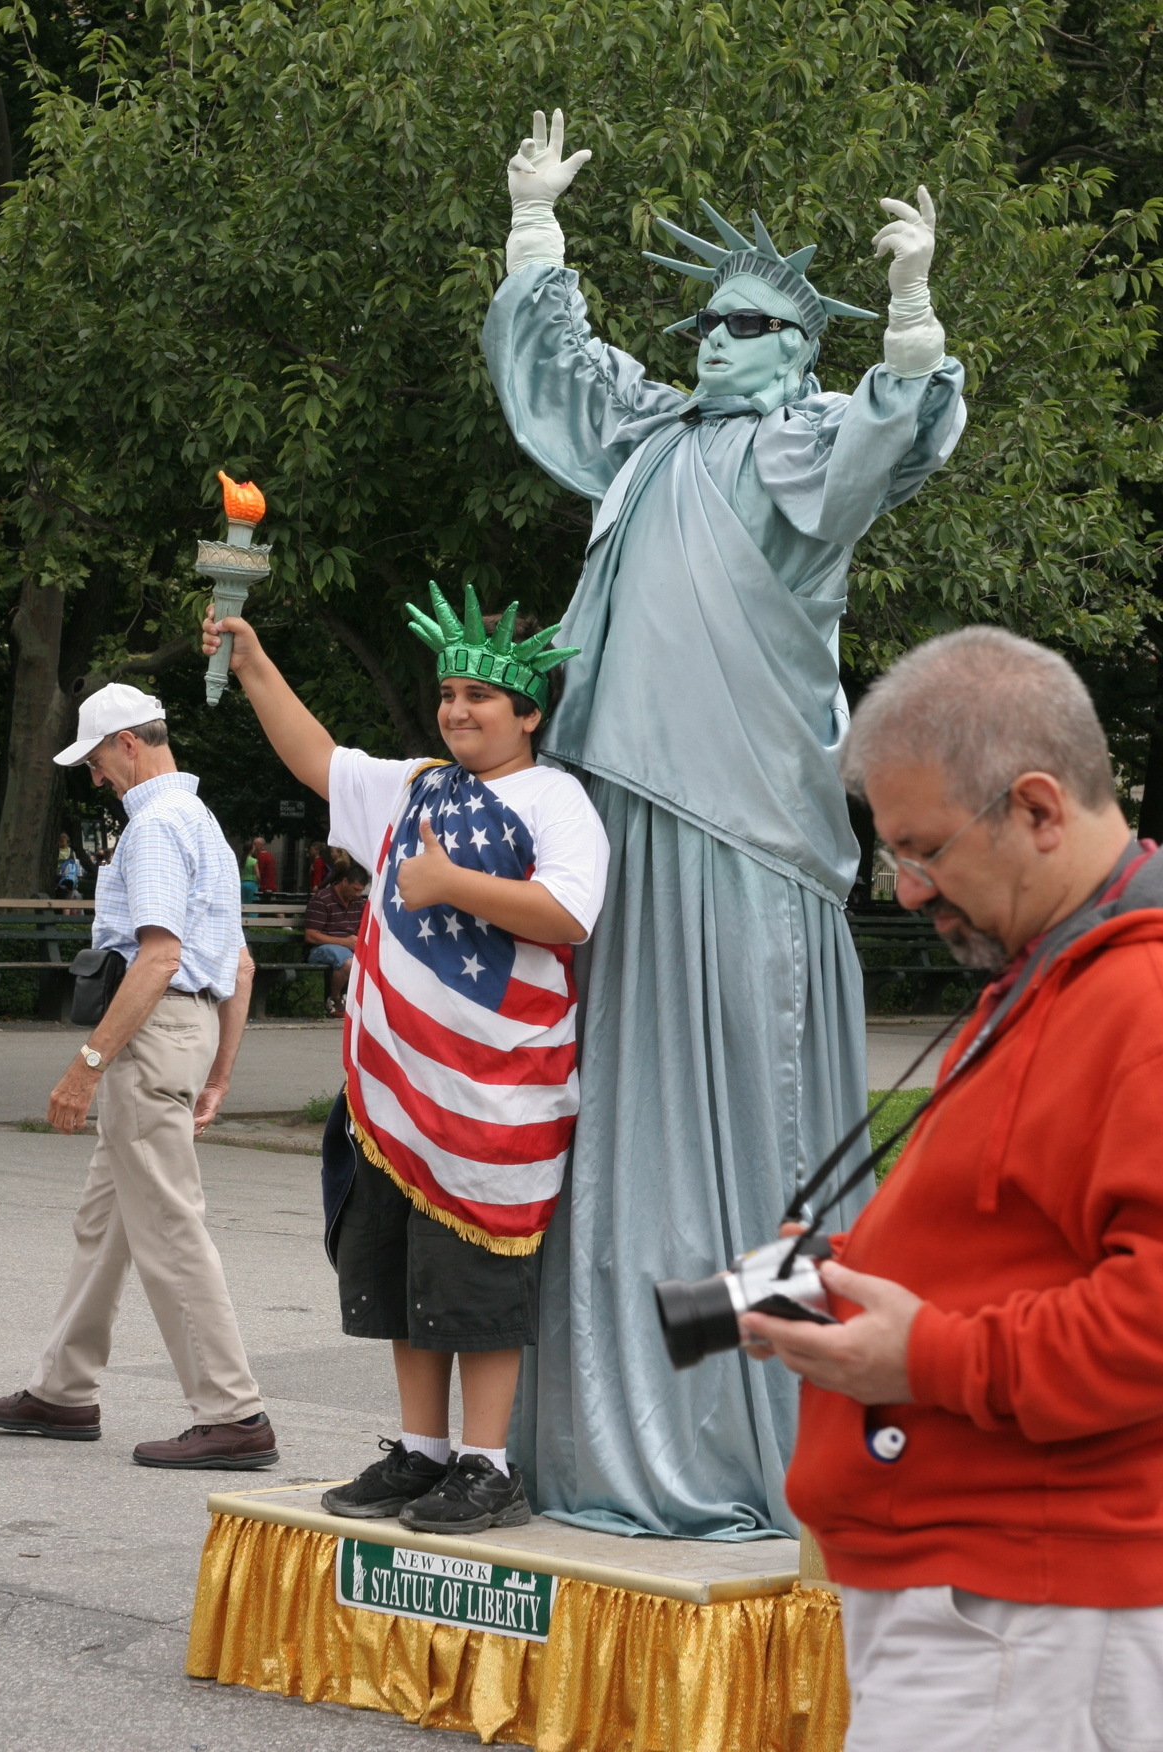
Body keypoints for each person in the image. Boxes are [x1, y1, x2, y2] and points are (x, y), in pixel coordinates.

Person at [481, 110, 966, 1537]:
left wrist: (914, 308)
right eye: (705, 319)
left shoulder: (800, 451)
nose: (713, 338)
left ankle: (761, 1427)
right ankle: (604, 1427)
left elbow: (897, 420)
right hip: (620, 825)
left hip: (752, 835)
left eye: (749, 323)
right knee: (623, 1124)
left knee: (762, 1126)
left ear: (793, 353)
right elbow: (559, 376)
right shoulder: (645, 443)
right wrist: (533, 224)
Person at [739, 629, 1163, 1751]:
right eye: (892, 856)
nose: (910, 887)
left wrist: (919, 1357)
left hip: (1021, 1608)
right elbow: (1007, 1237)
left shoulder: (1139, 998)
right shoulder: (1045, 971)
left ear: (1035, 809)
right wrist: (839, 1282)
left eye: (923, 848)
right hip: (989, 1599)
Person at [202, 586, 609, 1533]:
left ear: (529, 714)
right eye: (450, 692)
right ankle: (422, 1454)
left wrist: (448, 883)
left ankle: (486, 1464)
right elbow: (317, 758)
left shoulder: (556, 798)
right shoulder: (417, 783)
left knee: (477, 1288)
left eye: (482, 697)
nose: (460, 710)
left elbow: (569, 914)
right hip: (391, 1093)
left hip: (495, 1098)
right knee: (399, 1282)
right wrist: (253, 660)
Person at [0, 682, 273, 1469]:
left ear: (126, 743)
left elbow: (159, 957)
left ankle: (233, 1411)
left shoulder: (152, 828)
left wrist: (85, 1067)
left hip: (151, 1037)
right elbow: (241, 965)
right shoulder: (206, 826)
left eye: (93, 760)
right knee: (105, 1225)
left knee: (168, 1229)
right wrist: (219, 1074)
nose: (92, 778)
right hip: (188, 1034)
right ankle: (61, 1388)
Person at [304, 859, 368, 1016]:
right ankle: (334, 999)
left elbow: (361, 927)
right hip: (320, 948)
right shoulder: (322, 899)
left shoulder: (357, 902)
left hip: (349, 947)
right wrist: (345, 941)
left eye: (361, 891)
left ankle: (358, 1001)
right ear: (344, 881)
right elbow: (311, 936)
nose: (358, 894)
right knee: (349, 962)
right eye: (355, 889)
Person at [55, 831, 85, 901]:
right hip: (69, 877)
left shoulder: (57, 851)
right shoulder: (71, 852)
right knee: (69, 896)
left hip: (59, 875)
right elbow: (75, 864)